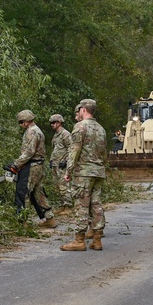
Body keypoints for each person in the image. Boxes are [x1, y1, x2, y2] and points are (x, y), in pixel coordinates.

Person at [60, 99, 107, 251]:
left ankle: (79, 240)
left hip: (84, 173)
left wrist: (68, 171)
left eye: (79, 109)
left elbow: (74, 151)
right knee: (96, 204)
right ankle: (97, 239)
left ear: (84, 109)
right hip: (98, 171)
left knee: (81, 204)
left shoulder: (80, 127)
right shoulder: (101, 129)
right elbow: (104, 153)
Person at [9, 110, 57, 227]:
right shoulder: (37, 130)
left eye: (21, 122)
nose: (20, 125)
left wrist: (15, 164)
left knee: (23, 192)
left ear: (26, 121)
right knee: (38, 192)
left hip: (32, 165)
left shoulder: (32, 132)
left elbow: (29, 152)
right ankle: (49, 218)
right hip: (38, 166)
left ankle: (22, 221)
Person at [49, 114, 73, 215]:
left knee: (64, 186)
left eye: (54, 122)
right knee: (57, 186)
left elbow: (71, 148)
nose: (52, 125)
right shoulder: (55, 135)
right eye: (51, 123)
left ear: (59, 123)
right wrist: (51, 160)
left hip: (63, 164)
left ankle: (68, 206)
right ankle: (63, 205)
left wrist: (67, 161)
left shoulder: (65, 134)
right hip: (55, 164)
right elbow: (55, 149)